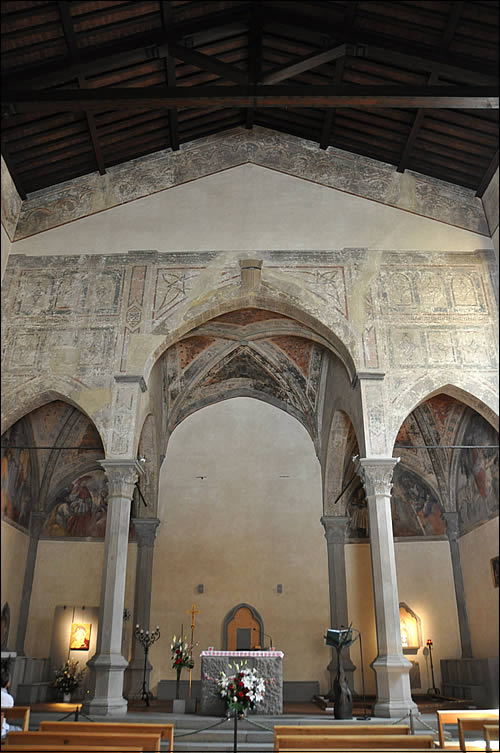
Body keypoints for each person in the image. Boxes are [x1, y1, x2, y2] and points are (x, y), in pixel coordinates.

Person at [1, 662, 22, 738]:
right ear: (8, 683)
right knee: (20, 731)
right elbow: (10, 718)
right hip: (2, 731)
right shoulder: (8, 698)